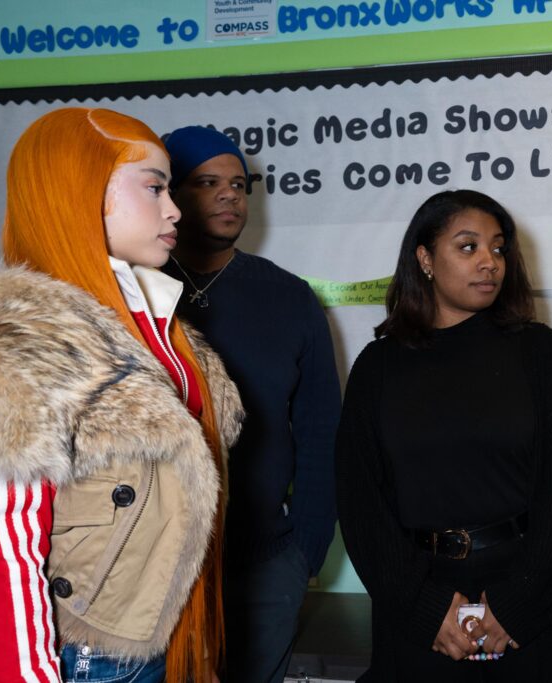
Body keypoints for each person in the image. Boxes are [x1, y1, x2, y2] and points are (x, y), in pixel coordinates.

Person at [0, 108, 243, 682]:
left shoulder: (161, 328)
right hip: (83, 658)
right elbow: (7, 541)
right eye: (153, 187)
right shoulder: (24, 339)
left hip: (162, 640)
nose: (174, 210)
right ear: (80, 188)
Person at [336, 189, 552, 682]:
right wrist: (427, 608)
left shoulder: (543, 355)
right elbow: (360, 504)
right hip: (418, 607)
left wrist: (514, 605)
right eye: (467, 246)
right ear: (425, 259)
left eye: (498, 248)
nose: (489, 262)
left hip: (533, 606)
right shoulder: (378, 366)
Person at [160, 126, 341, 683]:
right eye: (207, 182)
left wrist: (304, 551)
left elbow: (321, 431)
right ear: (171, 194)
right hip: (155, 569)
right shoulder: (134, 292)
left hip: (263, 566)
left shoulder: (288, 296)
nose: (229, 195)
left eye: (239, 184)